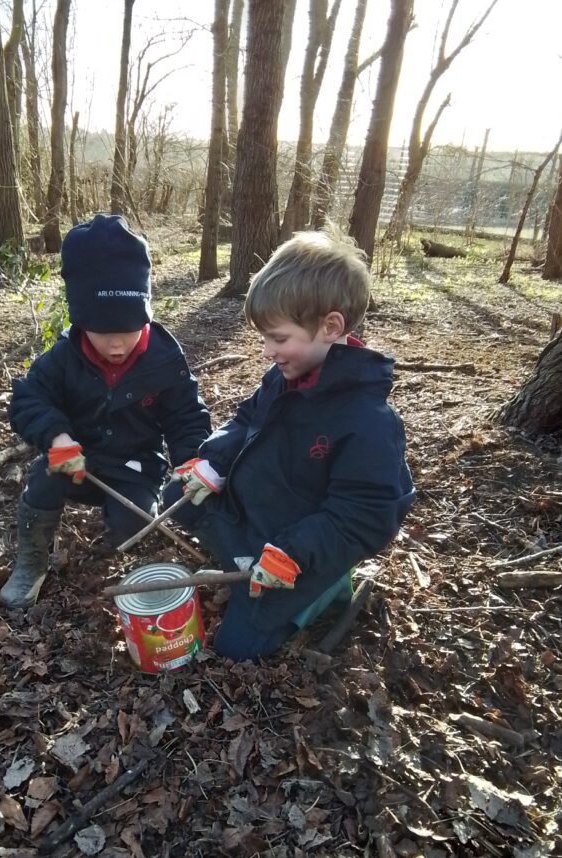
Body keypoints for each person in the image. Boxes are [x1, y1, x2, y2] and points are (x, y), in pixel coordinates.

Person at [164, 226, 415, 661]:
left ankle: (324, 586)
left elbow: (364, 516)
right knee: (179, 495)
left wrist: (295, 552)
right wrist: (215, 461)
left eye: (278, 338)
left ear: (330, 327)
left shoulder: (368, 423)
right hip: (260, 514)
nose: (266, 351)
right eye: (265, 337)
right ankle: (243, 564)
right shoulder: (284, 376)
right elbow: (246, 420)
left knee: (235, 647)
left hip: (299, 545)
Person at [1, 214, 211, 608]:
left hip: (136, 465)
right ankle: (32, 558)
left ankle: (116, 537)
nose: (116, 345)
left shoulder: (165, 357)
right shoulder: (63, 357)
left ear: (145, 316)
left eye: (128, 331)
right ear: (81, 322)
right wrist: (57, 438)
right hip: (75, 460)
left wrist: (190, 462)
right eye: (102, 333)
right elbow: (27, 399)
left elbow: (187, 418)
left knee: (133, 525)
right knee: (42, 480)